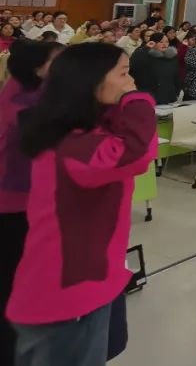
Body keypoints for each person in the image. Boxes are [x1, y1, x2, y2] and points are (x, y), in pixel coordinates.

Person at [6, 42, 156, 366]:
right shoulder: (75, 146)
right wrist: (136, 100)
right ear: (91, 82)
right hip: (70, 294)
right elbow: (138, 151)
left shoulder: (78, 132)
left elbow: (121, 132)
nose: (132, 82)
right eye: (124, 74)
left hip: (86, 283)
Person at [0, 41, 63, 366]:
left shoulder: (22, 90)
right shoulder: (25, 107)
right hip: (14, 208)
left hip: (21, 205)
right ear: (38, 69)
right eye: (58, 62)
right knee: (13, 286)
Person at [143, 34, 180, 106]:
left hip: (170, 97)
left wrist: (176, 91)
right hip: (154, 98)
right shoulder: (147, 57)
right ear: (153, 43)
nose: (164, 44)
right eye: (161, 42)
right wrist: (146, 48)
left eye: (166, 42)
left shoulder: (172, 57)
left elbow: (176, 77)